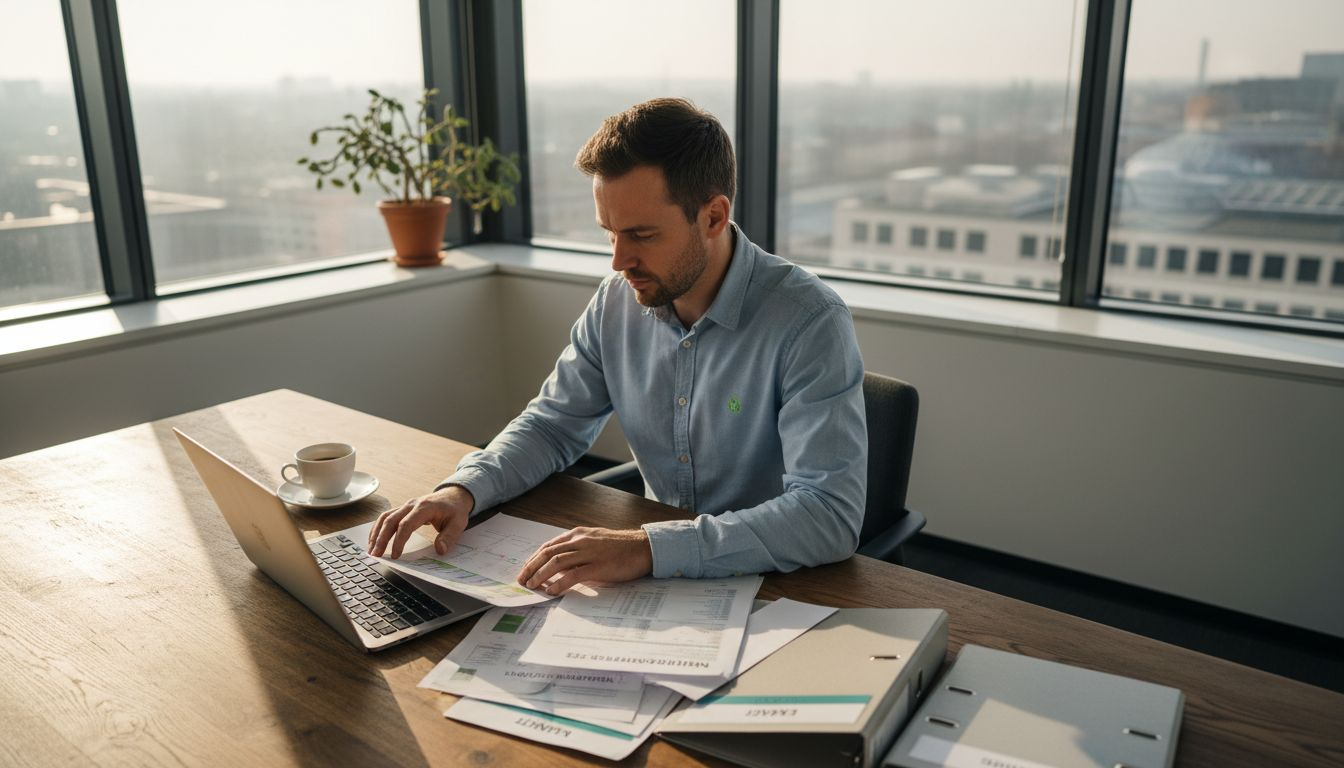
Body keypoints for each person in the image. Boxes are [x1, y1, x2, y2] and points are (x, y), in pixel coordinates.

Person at [369, 98, 867, 594]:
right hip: (652, 582)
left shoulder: (809, 321)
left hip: (776, 588)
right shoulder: (617, 302)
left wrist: (648, 548)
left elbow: (828, 515)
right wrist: (464, 490)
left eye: (641, 235)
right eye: (609, 234)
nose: (618, 261)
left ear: (713, 216)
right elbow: (551, 425)